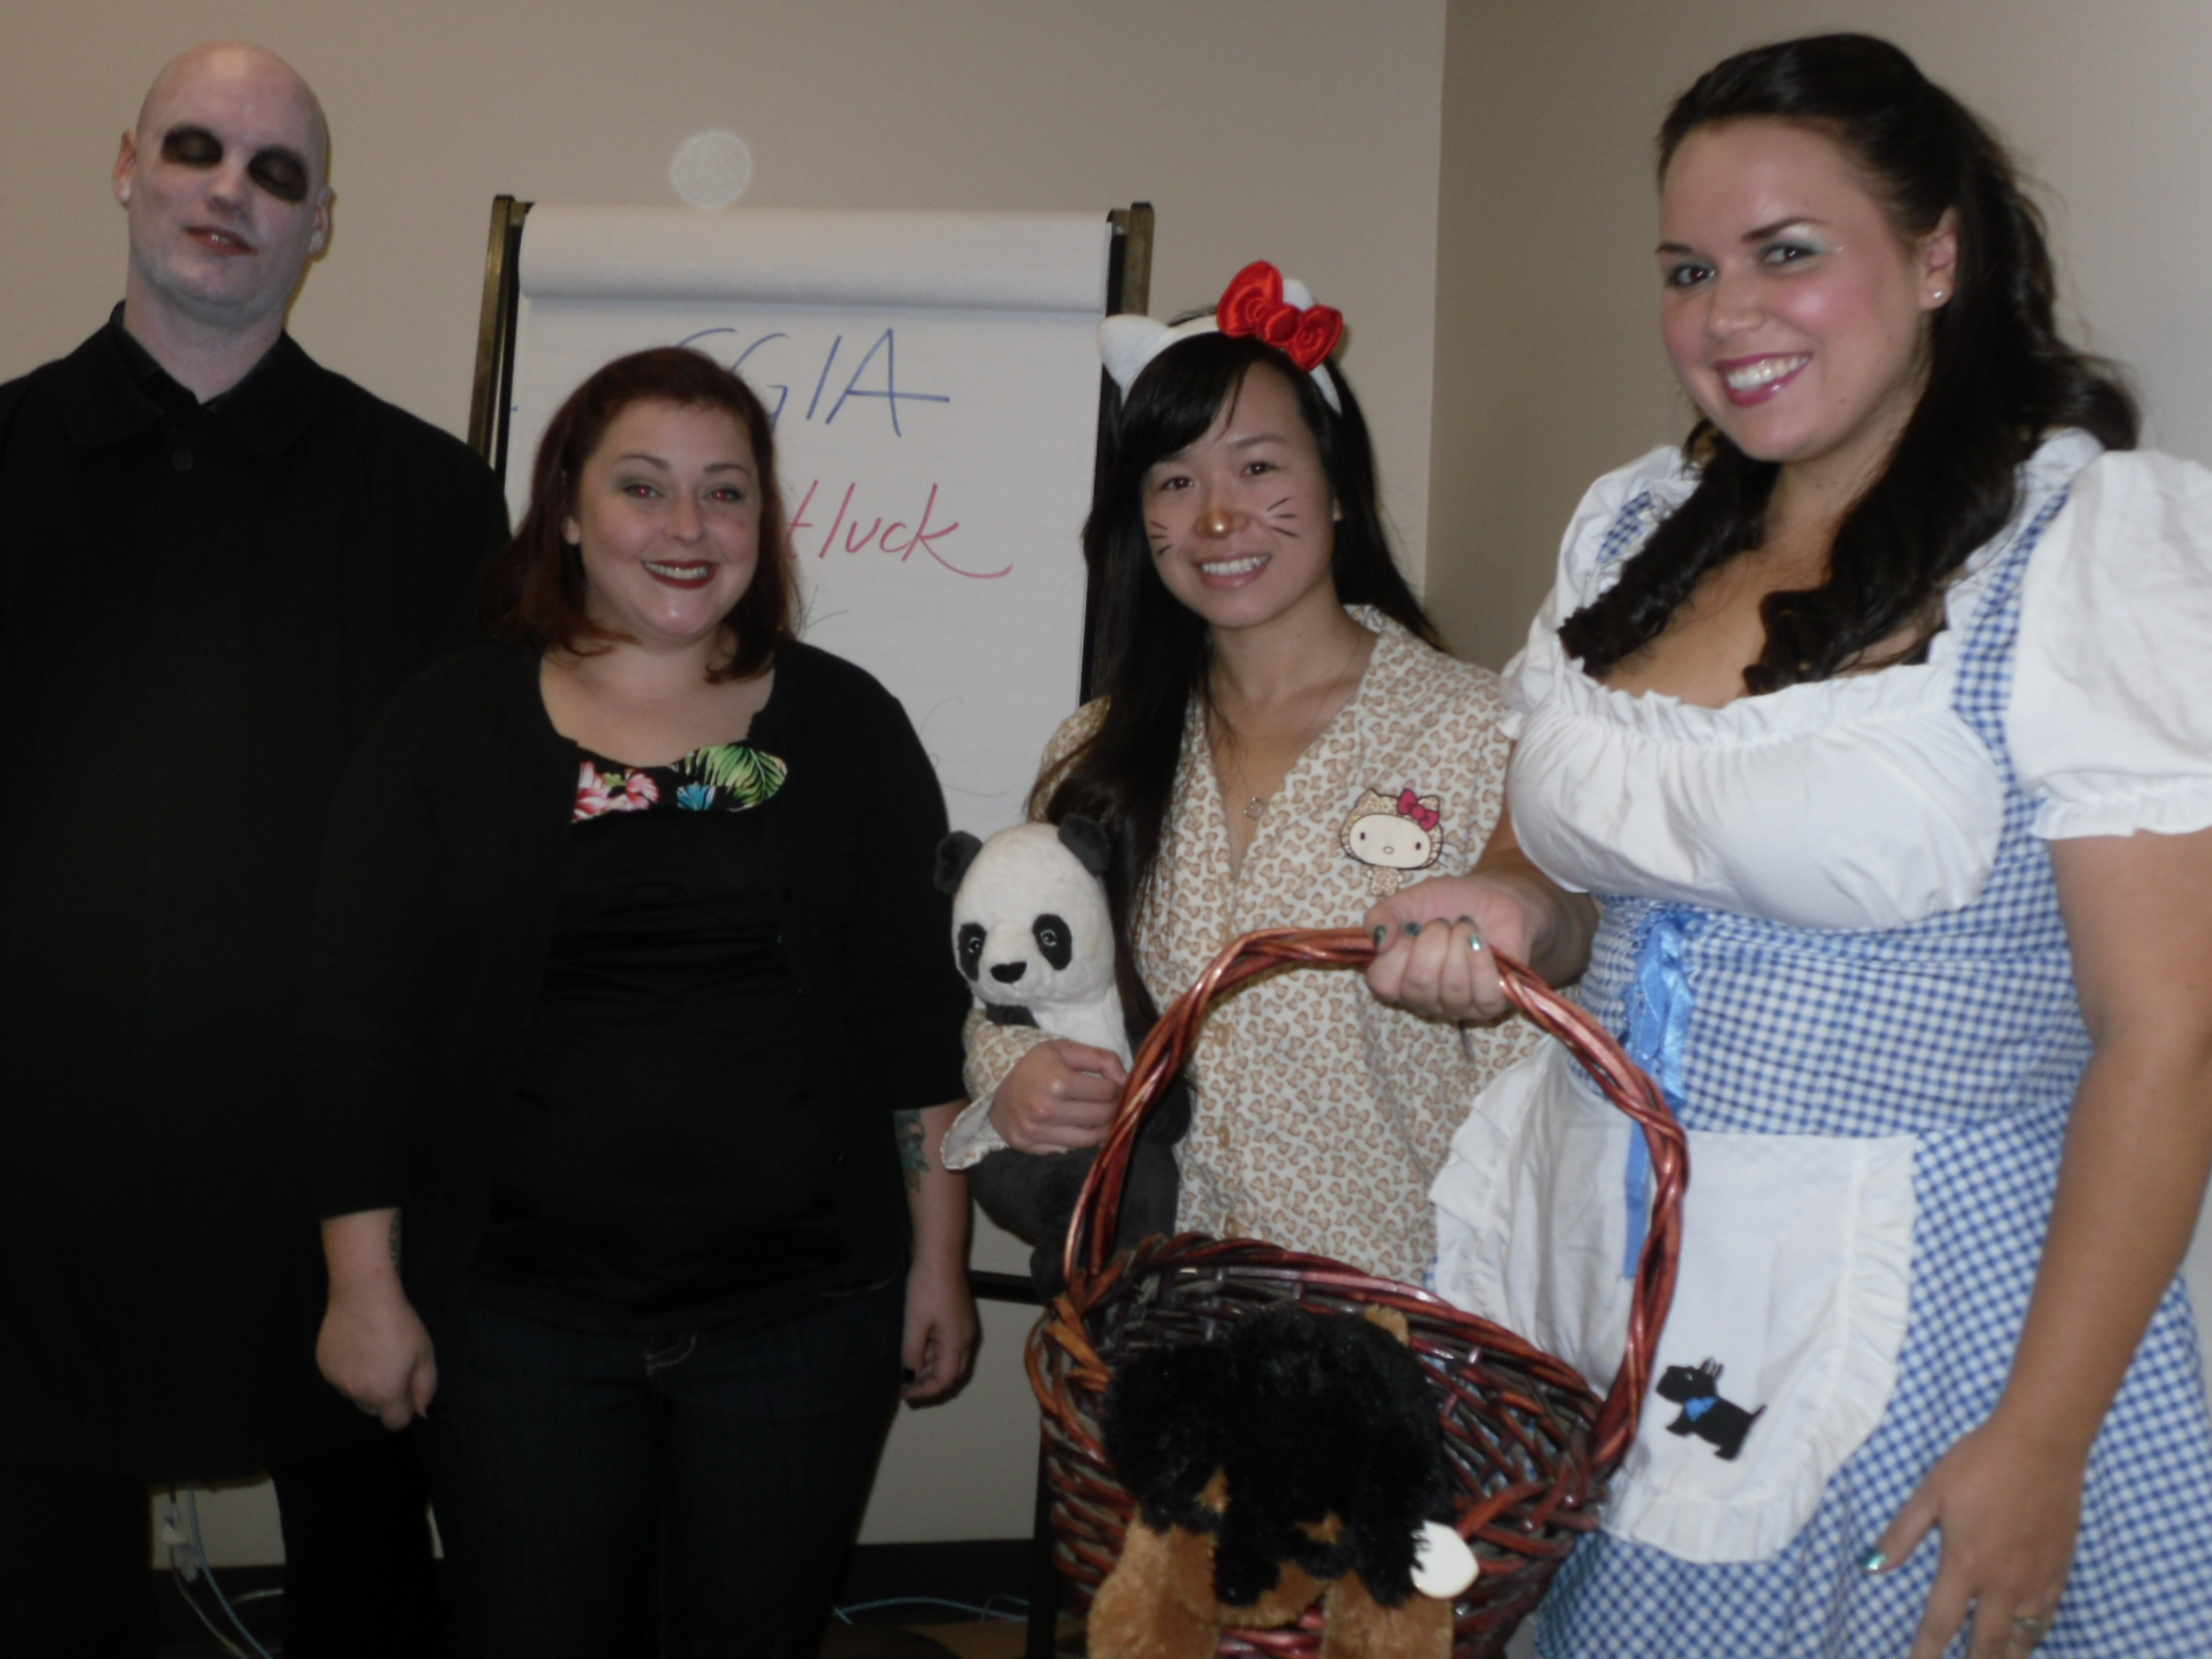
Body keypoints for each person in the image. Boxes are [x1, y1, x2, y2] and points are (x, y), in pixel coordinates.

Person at [1370, 34, 2212, 1659]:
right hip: (1588, 1270)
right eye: (1687, 270)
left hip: (1915, 1315)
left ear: (1937, 255)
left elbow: (2162, 1038)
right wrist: (1503, 915)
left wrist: (2042, 1440)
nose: (1724, 315)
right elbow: (1548, 882)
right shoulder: (1633, 528)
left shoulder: (2082, 547)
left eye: (1786, 252)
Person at [306, 346, 978, 1659]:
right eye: (643, 487)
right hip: (512, 1331)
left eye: (725, 491)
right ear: (567, 509)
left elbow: (915, 1024)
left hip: (803, 1323)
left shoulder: (843, 728)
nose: (688, 527)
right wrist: (361, 1288)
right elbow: (357, 1028)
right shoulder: (447, 729)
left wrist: (938, 1264)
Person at [0, 41, 507, 1658]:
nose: (230, 191)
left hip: (331, 1153)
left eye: (275, 172)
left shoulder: (428, 500)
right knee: (39, 1582)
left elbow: (468, 850)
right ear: (126, 165)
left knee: (372, 1576)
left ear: (321, 222)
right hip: (34, 1151)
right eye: (196, 149)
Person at [948, 263, 1538, 1286]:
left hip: (1398, 1315)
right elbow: (1017, 991)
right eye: (1176, 481)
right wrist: (1014, 1076)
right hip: (1150, 1314)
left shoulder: (1479, 731)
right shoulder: (1092, 755)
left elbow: (1535, 1065)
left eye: (1258, 467)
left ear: (1338, 487)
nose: (1218, 518)